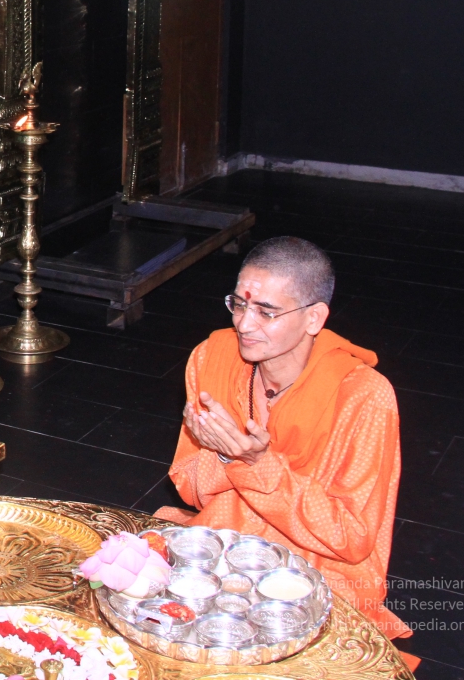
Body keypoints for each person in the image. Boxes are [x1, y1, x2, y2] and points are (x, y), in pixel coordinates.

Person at [157, 236, 412, 641]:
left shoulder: (362, 396)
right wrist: (225, 458)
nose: (244, 324)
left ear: (314, 318)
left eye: (266, 311)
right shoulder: (211, 358)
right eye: (238, 305)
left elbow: (352, 539)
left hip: (319, 570)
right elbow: (190, 488)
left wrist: (256, 465)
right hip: (226, 545)